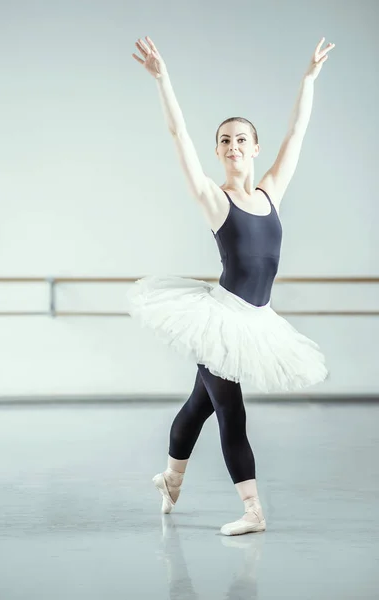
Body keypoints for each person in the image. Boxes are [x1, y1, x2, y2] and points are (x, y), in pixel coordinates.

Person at [128, 36, 335, 536]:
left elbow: (297, 135)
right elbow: (177, 134)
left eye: (242, 139)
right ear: (217, 151)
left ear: (255, 147)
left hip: (258, 321)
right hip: (221, 321)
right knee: (229, 411)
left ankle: (170, 480)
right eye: (224, 140)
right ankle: (254, 511)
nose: (233, 146)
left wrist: (308, 80)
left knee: (199, 405)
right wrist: (163, 79)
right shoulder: (215, 201)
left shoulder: (270, 192)